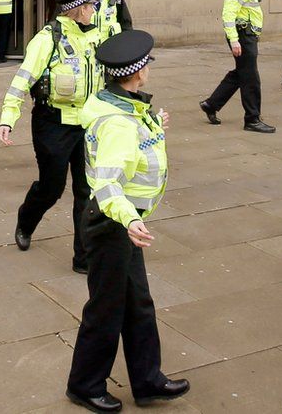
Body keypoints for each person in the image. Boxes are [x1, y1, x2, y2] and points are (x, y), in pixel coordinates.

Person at [66, 30, 189, 412]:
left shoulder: (124, 105)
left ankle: (147, 379)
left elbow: (133, 141)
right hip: (112, 224)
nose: (149, 68)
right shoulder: (118, 122)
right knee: (106, 310)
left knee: (137, 303)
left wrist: (154, 126)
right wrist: (128, 220)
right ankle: (85, 385)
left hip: (122, 224)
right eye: (147, 63)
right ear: (137, 73)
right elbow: (105, 182)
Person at [0, 0, 110, 273]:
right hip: (53, 125)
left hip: (87, 124)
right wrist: (8, 117)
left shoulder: (97, 37)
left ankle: (83, 257)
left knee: (86, 190)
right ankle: (26, 220)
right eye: (90, 6)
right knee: (52, 187)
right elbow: (23, 78)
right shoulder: (48, 39)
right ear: (77, 10)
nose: (94, 10)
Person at [200, 0, 275, 133]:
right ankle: (252, 119)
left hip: (247, 36)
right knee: (251, 78)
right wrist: (234, 41)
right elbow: (227, 15)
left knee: (241, 73)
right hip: (242, 36)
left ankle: (211, 104)